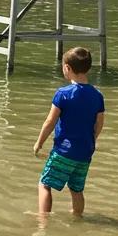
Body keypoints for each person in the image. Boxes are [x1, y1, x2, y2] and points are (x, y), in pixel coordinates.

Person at [33, 46, 105, 218]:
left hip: (63, 151)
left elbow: (50, 122)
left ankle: (43, 220)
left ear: (67, 68)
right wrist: (91, 139)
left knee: (44, 184)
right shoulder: (97, 96)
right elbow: (99, 123)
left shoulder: (63, 94)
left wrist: (39, 143)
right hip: (85, 152)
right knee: (77, 189)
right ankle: (77, 218)